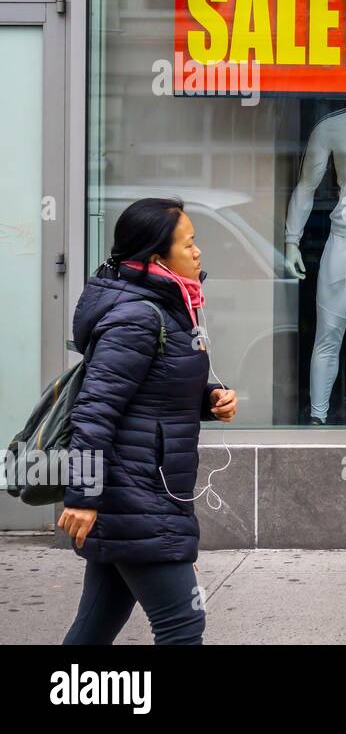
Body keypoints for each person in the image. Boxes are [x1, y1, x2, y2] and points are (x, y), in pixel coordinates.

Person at [61, 198, 238, 645]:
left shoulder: (170, 306)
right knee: (182, 626)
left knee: (93, 629)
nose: (198, 252)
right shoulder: (138, 318)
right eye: (189, 243)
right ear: (156, 258)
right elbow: (93, 411)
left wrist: (208, 399)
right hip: (136, 495)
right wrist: (83, 495)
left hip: (141, 492)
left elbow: (150, 390)